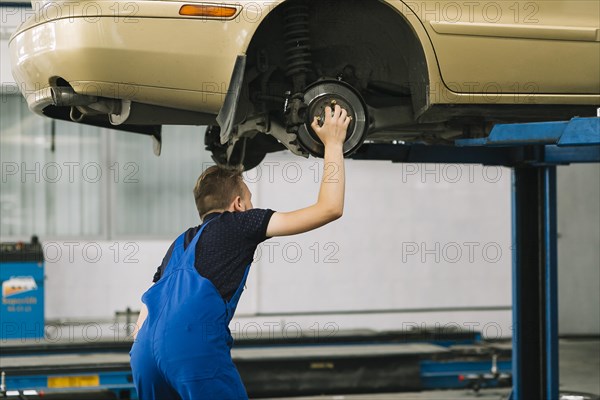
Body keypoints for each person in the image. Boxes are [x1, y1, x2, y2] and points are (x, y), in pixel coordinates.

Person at [129, 104, 351, 399]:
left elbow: (144, 313)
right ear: (236, 205)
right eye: (248, 199)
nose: (250, 205)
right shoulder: (238, 224)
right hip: (188, 348)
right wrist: (334, 143)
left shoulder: (179, 244)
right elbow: (329, 208)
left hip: (143, 352)